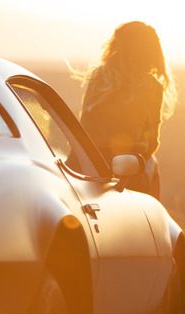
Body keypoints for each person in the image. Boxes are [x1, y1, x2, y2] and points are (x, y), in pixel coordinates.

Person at [75, 21, 177, 200]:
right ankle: (152, 220)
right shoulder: (152, 87)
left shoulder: (99, 78)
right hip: (126, 171)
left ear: (116, 47)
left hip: (85, 164)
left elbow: (83, 125)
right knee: (152, 162)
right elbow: (151, 143)